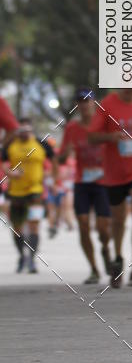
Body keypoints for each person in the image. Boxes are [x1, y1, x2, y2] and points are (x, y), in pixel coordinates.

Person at [88, 86, 132, 288]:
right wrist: (110, 137)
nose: (131, 88)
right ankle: (117, 258)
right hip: (114, 171)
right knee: (118, 219)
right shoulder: (107, 104)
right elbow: (92, 136)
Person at [58, 88, 112, 283]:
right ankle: (94, 269)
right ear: (77, 105)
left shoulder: (103, 124)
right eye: (81, 101)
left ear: (94, 103)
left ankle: (105, 249)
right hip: (82, 181)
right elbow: (61, 158)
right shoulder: (72, 128)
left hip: (103, 182)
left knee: (103, 228)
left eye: (88, 101)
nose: (84, 105)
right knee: (82, 223)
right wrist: (66, 153)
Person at [1, 116, 56, 274]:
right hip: (15, 192)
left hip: (35, 192)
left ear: (31, 129)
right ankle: (22, 256)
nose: (24, 132)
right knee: (17, 228)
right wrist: (10, 172)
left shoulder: (41, 144)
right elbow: (3, 163)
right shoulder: (10, 145)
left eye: (27, 129)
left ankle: (31, 259)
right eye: (21, 129)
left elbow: (55, 161)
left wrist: (52, 177)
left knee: (34, 225)